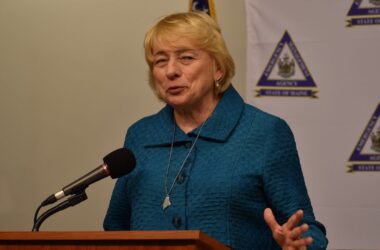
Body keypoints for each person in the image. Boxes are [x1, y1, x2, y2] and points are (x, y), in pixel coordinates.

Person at [103, 11, 328, 250]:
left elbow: (307, 230)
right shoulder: (140, 135)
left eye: (186, 58)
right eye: (160, 61)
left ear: (218, 68)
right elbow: (116, 228)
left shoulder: (264, 132)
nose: (171, 71)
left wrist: (296, 245)